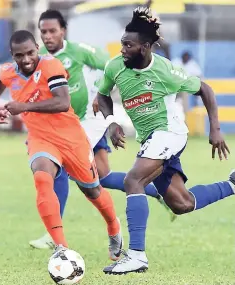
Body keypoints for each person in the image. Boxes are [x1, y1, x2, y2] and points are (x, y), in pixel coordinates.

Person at [95, 7, 234, 274]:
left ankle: (136, 256)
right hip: (150, 139)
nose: (122, 49)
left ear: (145, 47)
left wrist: (215, 129)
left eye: (128, 45)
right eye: (122, 43)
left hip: (170, 133)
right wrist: (111, 122)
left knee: (133, 180)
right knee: (182, 203)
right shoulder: (115, 66)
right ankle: (232, 184)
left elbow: (205, 88)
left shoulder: (165, 70)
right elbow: (102, 95)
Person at [29, 10, 175, 249]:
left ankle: (52, 234)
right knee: (103, 177)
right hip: (68, 125)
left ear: (63, 31)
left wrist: (104, 94)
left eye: (52, 30)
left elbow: (111, 66)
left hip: (89, 121)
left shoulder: (78, 51)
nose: (47, 36)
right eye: (43, 31)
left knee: (61, 167)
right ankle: (160, 192)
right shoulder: (40, 57)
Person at [0, 30, 123, 261]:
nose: (27, 59)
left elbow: (63, 102)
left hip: (71, 137)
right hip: (41, 138)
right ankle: (62, 249)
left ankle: (114, 227)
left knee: (92, 190)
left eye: (31, 52)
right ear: (12, 55)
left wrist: (24, 107)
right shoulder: (9, 71)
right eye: (20, 55)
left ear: (37, 49)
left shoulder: (51, 66)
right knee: (42, 178)